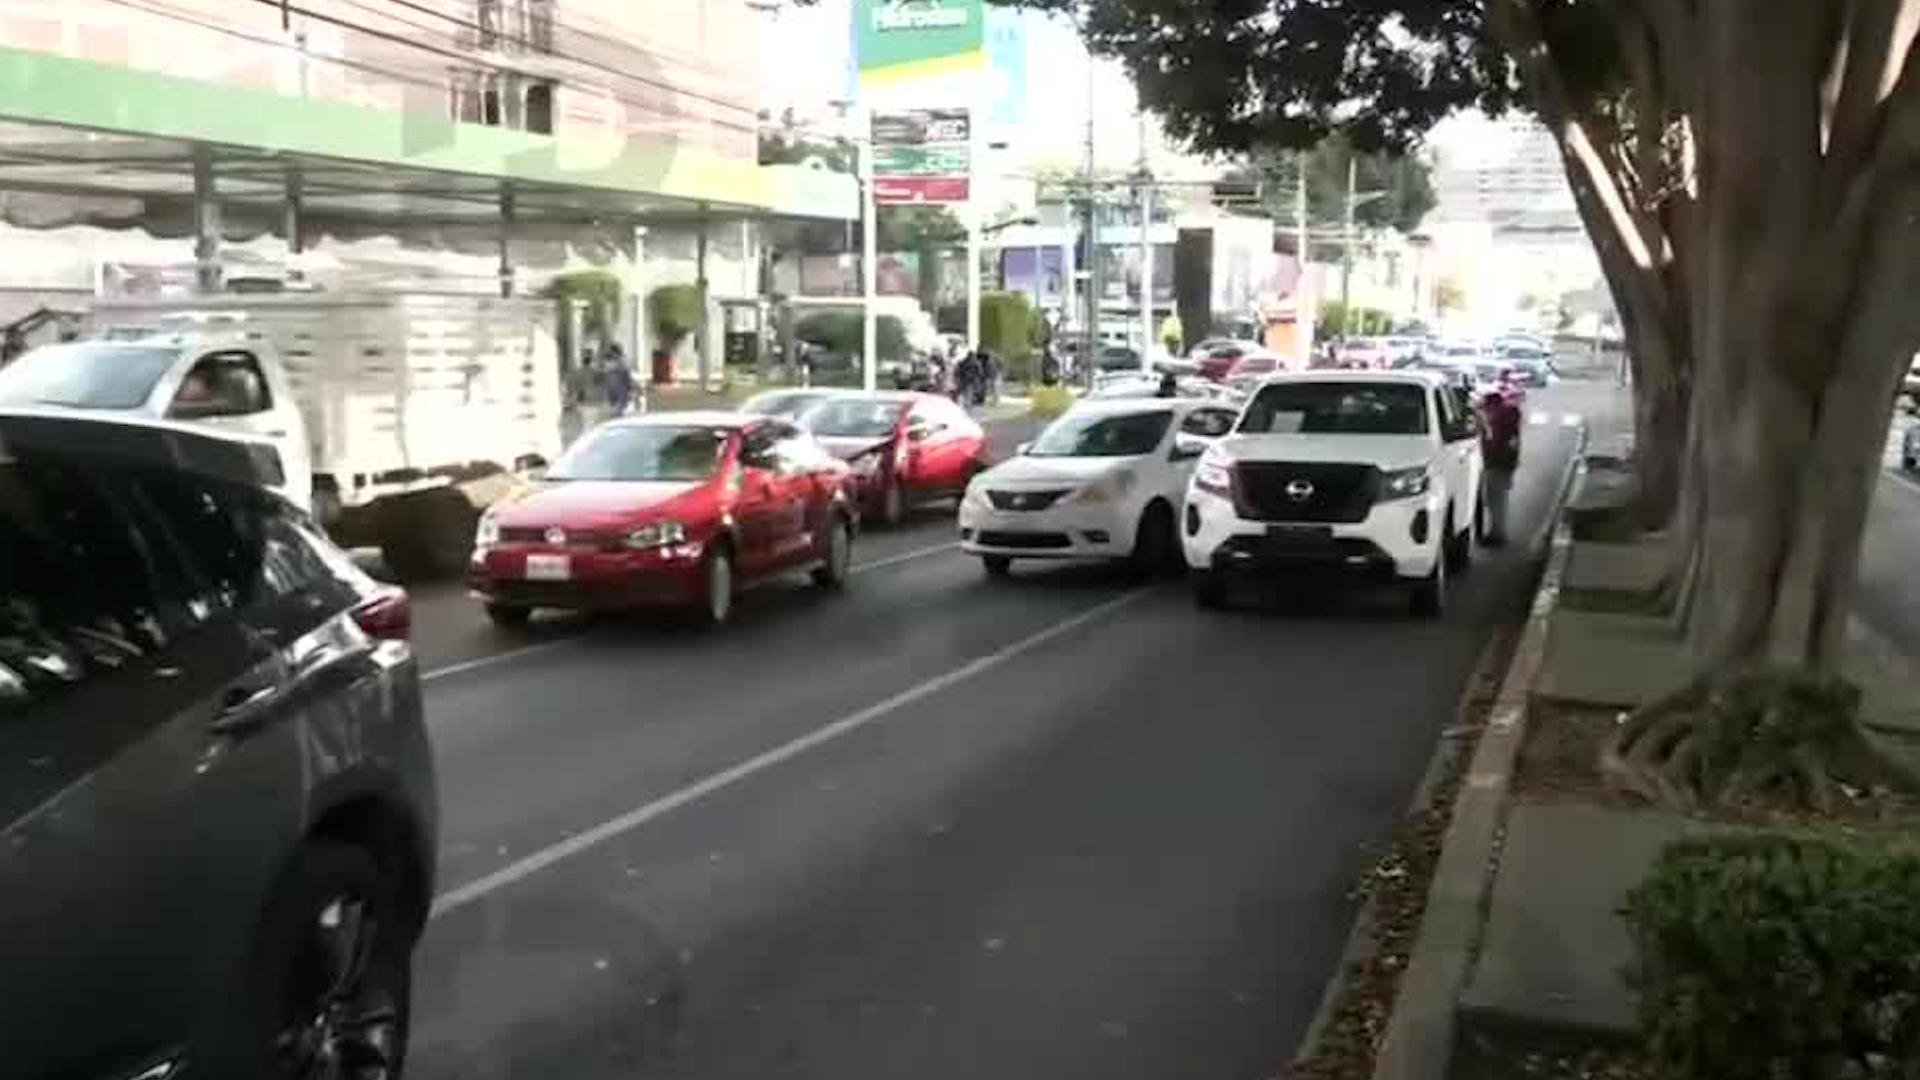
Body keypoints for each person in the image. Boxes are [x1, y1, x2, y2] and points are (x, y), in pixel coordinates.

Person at [1479, 389, 1523, 546]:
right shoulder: (1505, 418)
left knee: (1496, 500)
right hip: (1503, 463)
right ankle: (1496, 531)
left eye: (1486, 407)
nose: (1485, 411)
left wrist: (1488, 453)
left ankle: (1498, 534)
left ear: (1493, 405)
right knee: (1495, 500)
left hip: (1498, 463)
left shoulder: (1500, 420)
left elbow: (1497, 442)